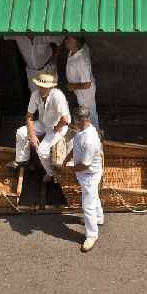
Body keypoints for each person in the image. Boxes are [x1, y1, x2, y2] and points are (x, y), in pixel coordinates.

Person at [56, 106, 104, 252]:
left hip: (89, 175)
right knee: (93, 197)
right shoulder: (84, 130)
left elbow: (84, 165)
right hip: (86, 174)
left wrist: (68, 169)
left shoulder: (89, 140)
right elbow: (76, 146)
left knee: (87, 206)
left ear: (78, 120)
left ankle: (91, 235)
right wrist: (67, 159)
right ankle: (99, 218)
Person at [9, 72, 70, 181]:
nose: (42, 89)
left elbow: (65, 119)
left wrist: (56, 128)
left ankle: (51, 174)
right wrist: (32, 135)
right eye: (40, 86)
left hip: (58, 126)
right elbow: (29, 116)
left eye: (45, 87)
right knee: (21, 132)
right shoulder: (35, 95)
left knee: (42, 151)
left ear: (51, 87)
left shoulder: (57, 96)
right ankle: (23, 161)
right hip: (43, 123)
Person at [63, 36, 99, 128]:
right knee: (86, 112)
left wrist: (72, 86)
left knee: (89, 114)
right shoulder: (77, 50)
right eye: (67, 38)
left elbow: (87, 84)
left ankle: (95, 134)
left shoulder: (81, 60)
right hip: (81, 91)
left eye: (70, 40)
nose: (66, 41)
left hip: (85, 92)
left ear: (77, 43)